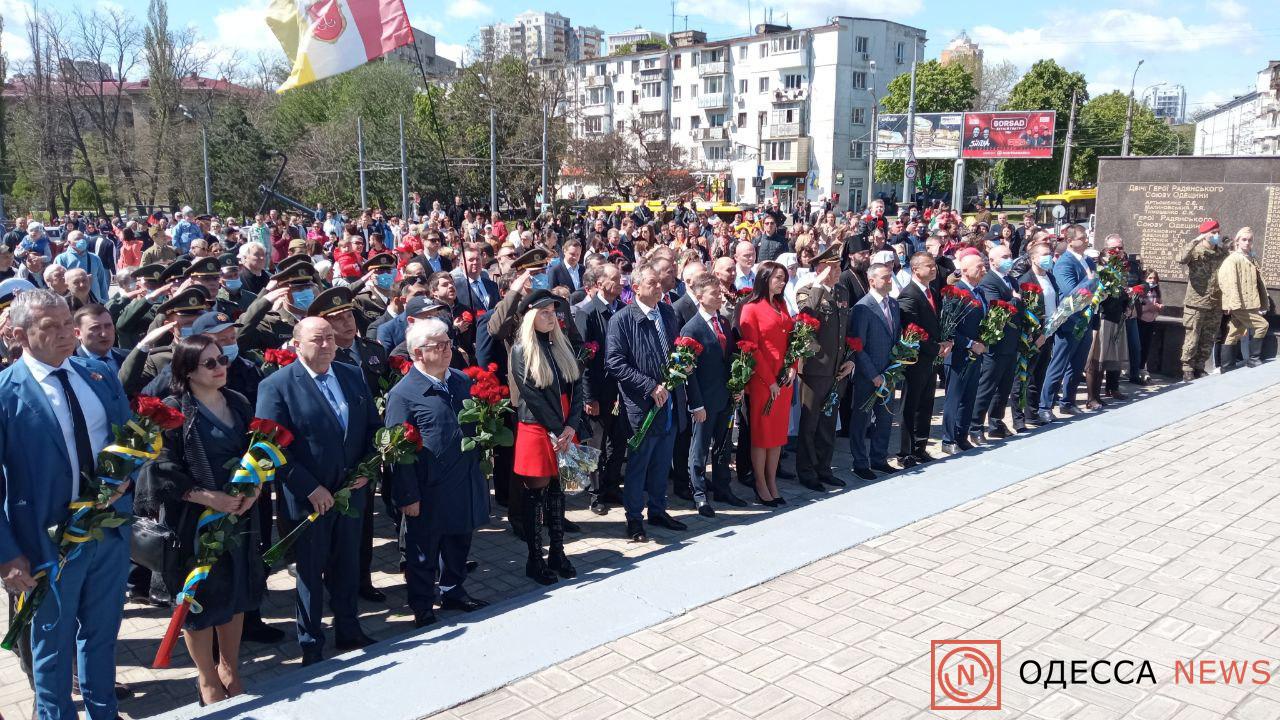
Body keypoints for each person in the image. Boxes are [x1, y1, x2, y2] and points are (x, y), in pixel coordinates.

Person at [0, 289, 133, 720]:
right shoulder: (6, 393)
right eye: (50, 327)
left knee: (102, 634)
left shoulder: (97, 375)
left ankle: (103, 712)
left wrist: (125, 478)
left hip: (109, 532)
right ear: (19, 335)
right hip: (44, 544)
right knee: (51, 645)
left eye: (66, 324)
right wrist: (7, 556)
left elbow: (124, 439)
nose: (65, 335)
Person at [137, 335, 265, 706]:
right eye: (209, 363)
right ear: (187, 370)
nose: (220, 367)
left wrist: (253, 491)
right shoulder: (174, 412)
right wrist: (210, 498)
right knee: (199, 602)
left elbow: (257, 453)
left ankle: (231, 669)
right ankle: (207, 678)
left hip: (238, 516)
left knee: (236, 593)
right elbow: (161, 471)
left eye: (221, 359)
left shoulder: (238, 402)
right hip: (193, 523)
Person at [255, 316, 379, 666]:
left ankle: (349, 629)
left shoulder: (351, 374)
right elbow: (270, 446)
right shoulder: (277, 385)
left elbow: (372, 427)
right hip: (309, 499)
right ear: (296, 345)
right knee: (310, 570)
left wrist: (366, 470)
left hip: (351, 492)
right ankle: (311, 642)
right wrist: (309, 487)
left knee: (348, 562)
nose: (327, 345)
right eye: (317, 340)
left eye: (330, 338)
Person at [384, 318, 490, 629]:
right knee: (423, 550)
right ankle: (422, 604)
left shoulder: (459, 380)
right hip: (426, 486)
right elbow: (397, 451)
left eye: (448, 344)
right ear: (417, 353)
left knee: (459, 539)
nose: (447, 350)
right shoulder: (403, 394)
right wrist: (407, 495)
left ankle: (453, 590)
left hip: (461, 478)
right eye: (439, 346)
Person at [605, 261, 689, 541]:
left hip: (670, 401)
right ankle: (633, 518)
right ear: (636, 287)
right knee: (639, 464)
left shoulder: (667, 312)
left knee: (662, 462)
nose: (659, 287)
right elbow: (615, 363)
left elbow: (675, 348)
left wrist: (682, 365)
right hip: (642, 407)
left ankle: (658, 509)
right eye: (652, 283)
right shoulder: (622, 319)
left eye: (659, 282)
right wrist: (649, 385)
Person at [510, 290, 584, 583]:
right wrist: (558, 429)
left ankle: (557, 551)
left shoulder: (559, 345)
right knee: (536, 496)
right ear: (531, 316)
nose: (551, 316)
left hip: (564, 425)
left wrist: (571, 426)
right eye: (544, 312)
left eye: (553, 312)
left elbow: (577, 388)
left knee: (559, 491)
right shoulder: (521, 350)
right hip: (538, 427)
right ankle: (534, 558)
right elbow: (532, 395)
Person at [680, 272, 744, 517]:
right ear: (699, 296)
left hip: (724, 397)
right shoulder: (692, 328)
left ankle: (722, 486)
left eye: (719, 292)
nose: (719, 296)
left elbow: (729, 359)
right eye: (713, 293)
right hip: (704, 401)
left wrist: (736, 386)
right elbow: (689, 372)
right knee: (699, 448)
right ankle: (698, 494)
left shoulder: (724, 323)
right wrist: (696, 404)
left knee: (723, 445)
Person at [794, 243, 853, 489]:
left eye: (839, 266)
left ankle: (824, 468)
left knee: (828, 422)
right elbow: (808, 313)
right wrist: (819, 283)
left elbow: (845, 331)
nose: (837, 271)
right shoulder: (807, 290)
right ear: (820, 268)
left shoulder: (841, 292)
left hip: (837, 369)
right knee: (810, 424)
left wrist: (850, 359)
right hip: (814, 368)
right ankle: (807, 473)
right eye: (833, 267)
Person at [737, 261, 795, 506]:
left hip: (784, 379)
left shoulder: (781, 305)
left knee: (778, 435)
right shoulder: (751, 308)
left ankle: (772, 481)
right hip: (763, 382)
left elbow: (794, 340)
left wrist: (793, 365)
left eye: (784, 278)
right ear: (765, 279)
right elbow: (753, 349)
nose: (782, 282)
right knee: (762, 436)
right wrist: (769, 380)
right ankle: (760, 483)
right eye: (777, 278)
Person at [571, 263, 627, 515]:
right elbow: (583, 358)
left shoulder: (624, 309)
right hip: (598, 388)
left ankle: (612, 485)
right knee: (595, 444)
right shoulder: (588, 311)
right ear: (600, 282)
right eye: (615, 279)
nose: (621, 282)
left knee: (618, 441)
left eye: (621, 278)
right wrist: (588, 395)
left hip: (620, 388)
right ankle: (594, 494)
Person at [896, 252, 950, 464]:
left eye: (934, 265)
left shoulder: (931, 290)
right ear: (916, 269)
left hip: (930, 359)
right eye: (928, 266)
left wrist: (945, 342)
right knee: (911, 405)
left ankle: (920, 446)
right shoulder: (909, 294)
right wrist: (935, 348)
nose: (934, 269)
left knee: (926, 403)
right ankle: (905, 452)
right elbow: (912, 329)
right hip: (916, 360)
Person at [847, 264, 900, 479]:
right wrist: (873, 374)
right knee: (861, 419)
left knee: (885, 418)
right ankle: (860, 462)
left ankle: (879, 458)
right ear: (872, 281)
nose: (890, 281)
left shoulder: (894, 305)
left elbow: (895, 339)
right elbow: (858, 346)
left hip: (889, 373)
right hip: (868, 376)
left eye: (890, 277)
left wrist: (896, 367)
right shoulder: (863, 308)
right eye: (885, 278)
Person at [1038, 225, 1094, 421]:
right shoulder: (1064, 263)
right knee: (1059, 365)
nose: (1086, 240)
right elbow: (1071, 292)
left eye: (1086, 236)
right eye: (1082, 238)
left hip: (1085, 320)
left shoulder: (1087, 261)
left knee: (1077, 364)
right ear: (1070, 241)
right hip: (1069, 321)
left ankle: (1068, 401)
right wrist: (1093, 282)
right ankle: (1045, 405)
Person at [972, 243, 1021, 441]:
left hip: (1011, 343)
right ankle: (975, 426)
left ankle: (996, 423)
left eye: (1010, 255)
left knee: (1004, 386)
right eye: (1005, 256)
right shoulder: (989, 281)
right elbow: (996, 309)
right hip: (995, 344)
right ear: (991, 261)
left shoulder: (1011, 280)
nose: (1009, 259)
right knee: (987, 387)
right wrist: (1016, 301)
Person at [942, 254, 988, 454]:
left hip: (976, 353)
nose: (983, 269)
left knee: (969, 397)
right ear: (966, 270)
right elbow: (949, 329)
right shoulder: (956, 292)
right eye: (979, 267)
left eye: (984, 266)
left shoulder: (980, 292)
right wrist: (970, 344)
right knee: (954, 398)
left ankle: (962, 436)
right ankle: (948, 439)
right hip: (959, 354)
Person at [1013, 242, 1057, 431]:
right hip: (1032, 336)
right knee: (1025, 376)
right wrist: (1035, 334)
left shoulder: (1050, 278)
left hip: (1048, 333)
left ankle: (1033, 411)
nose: (1049, 257)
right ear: (1033, 258)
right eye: (1045, 254)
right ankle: (1019, 416)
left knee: (1039, 374)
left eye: (1050, 253)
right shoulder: (1026, 280)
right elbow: (1025, 311)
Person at [1178, 219, 1229, 380]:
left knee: (1208, 337)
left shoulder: (1222, 254)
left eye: (1218, 232)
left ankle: (1200, 366)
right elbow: (1181, 258)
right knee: (1192, 336)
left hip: (1215, 302)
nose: (1216, 235)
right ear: (1205, 235)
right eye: (1213, 233)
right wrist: (1194, 241)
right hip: (1196, 302)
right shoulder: (1195, 250)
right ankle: (1187, 368)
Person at [1217, 227, 1270, 370]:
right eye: (1244, 240)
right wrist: (1231, 303)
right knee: (1262, 325)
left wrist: (1263, 301)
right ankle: (1254, 359)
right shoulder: (1232, 260)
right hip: (1240, 304)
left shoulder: (1251, 259)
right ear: (1237, 241)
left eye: (1250, 240)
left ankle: (1227, 366)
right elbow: (1228, 282)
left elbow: (1258, 282)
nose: (1247, 243)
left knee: (1235, 331)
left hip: (1250, 302)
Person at [74, 303, 127, 376]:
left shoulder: (129, 358)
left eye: (108, 326)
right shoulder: (73, 365)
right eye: (95, 328)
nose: (104, 334)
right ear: (78, 333)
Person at [1135, 270, 1163, 377]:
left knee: (1147, 345)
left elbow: (1158, 304)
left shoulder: (1156, 291)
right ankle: (1134, 368)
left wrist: (1159, 307)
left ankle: (1142, 367)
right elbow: (1139, 306)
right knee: (1139, 345)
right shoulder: (1141, 290)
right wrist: (1150, 307)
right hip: (1141, 320)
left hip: (1151, 321)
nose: (1152, 280)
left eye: (1154, 278)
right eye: (1150, 278)